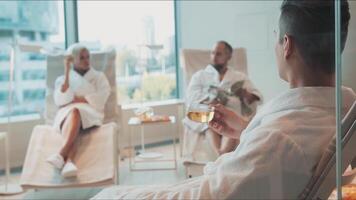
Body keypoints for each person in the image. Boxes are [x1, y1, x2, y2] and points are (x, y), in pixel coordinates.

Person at [92, 0, 355, 199]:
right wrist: (247, 128)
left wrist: (114, 195)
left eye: (276, 38)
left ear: (286, 45)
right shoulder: (342, 110)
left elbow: (207, 195)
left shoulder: (279, 141)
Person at [183, 41, 262, 158]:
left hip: (231, 114)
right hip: (208, 112)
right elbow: (191, 96)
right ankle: (222, 155)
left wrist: (245, 94)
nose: (214, 57)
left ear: (228, 56)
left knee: (229, 124)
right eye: (213, 53)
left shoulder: (239, 76)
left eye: (219, 54)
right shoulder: (200, 76)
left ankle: (221, 155)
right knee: (211, 121)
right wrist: (210, 99)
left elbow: (256, 96)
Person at [46, 44, 110, 178]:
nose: (87, 60)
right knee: (74, 113)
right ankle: (69, 162)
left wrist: (81, 99)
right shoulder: (62, 79)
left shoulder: (99, 77)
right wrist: (66, 72)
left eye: (88, 57)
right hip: (66, 113)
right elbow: (61, 100)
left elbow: (102, 96)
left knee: (75, 112)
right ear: (73, 60)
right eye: (82, 58)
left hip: (89, 112)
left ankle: (61, 154)